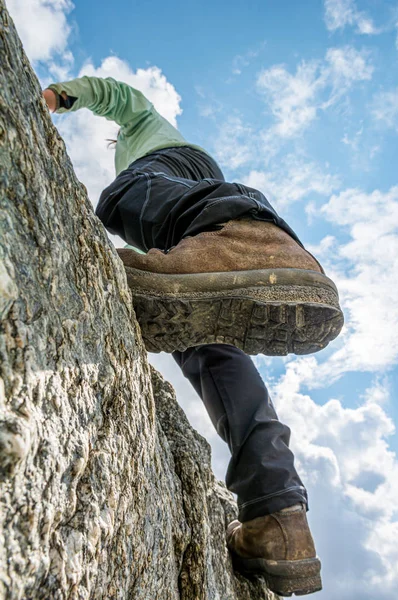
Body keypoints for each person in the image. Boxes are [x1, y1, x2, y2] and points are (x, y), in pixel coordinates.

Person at [43, 76, 343, 596]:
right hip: (200, 214)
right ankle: (278, 515)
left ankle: (253, 235)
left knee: (124, 195)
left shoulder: (147, 129)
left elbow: (117, 95)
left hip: (180, 169)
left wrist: (57, 96)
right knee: (206, 341)